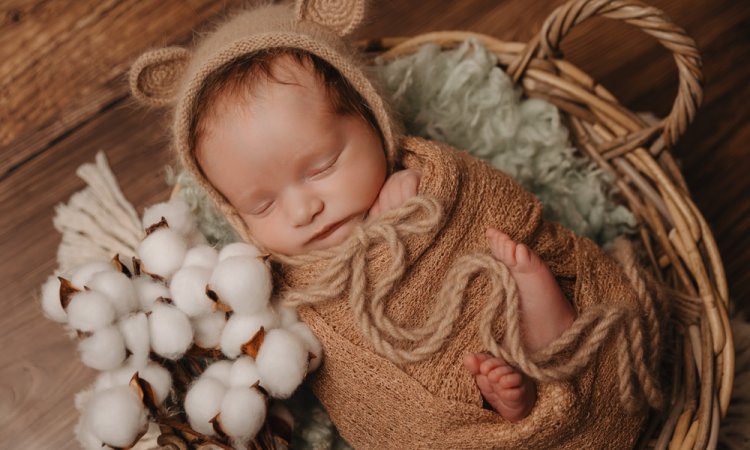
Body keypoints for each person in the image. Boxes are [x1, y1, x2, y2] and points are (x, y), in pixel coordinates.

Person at [130, 1, 660, 448]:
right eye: (262, 206)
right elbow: (349, 386)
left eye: (321, 168)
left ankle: (549, 327)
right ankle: (504, 399)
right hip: (447, 418)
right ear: (232, 213)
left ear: (373, 119)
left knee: (520, 281)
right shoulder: (276, 286)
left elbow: (488, 206)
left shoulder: (426, 183)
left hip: (524, 325)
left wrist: (409, 213)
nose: (301, 210)